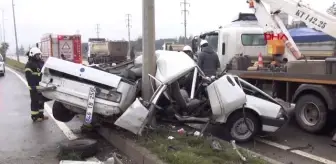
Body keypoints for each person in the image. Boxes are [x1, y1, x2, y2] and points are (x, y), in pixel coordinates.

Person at [25, 47, 49, 122]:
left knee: (41, 101)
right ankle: (34, 116)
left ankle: (41, 115)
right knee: (35, 101)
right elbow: (29, 77)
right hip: (34, 87)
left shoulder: (41, 62)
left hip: (41, 86)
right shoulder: (29, 64)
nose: (38, 56)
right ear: (32, 55)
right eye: (37, 55)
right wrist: (33, 87)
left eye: (39, 55)